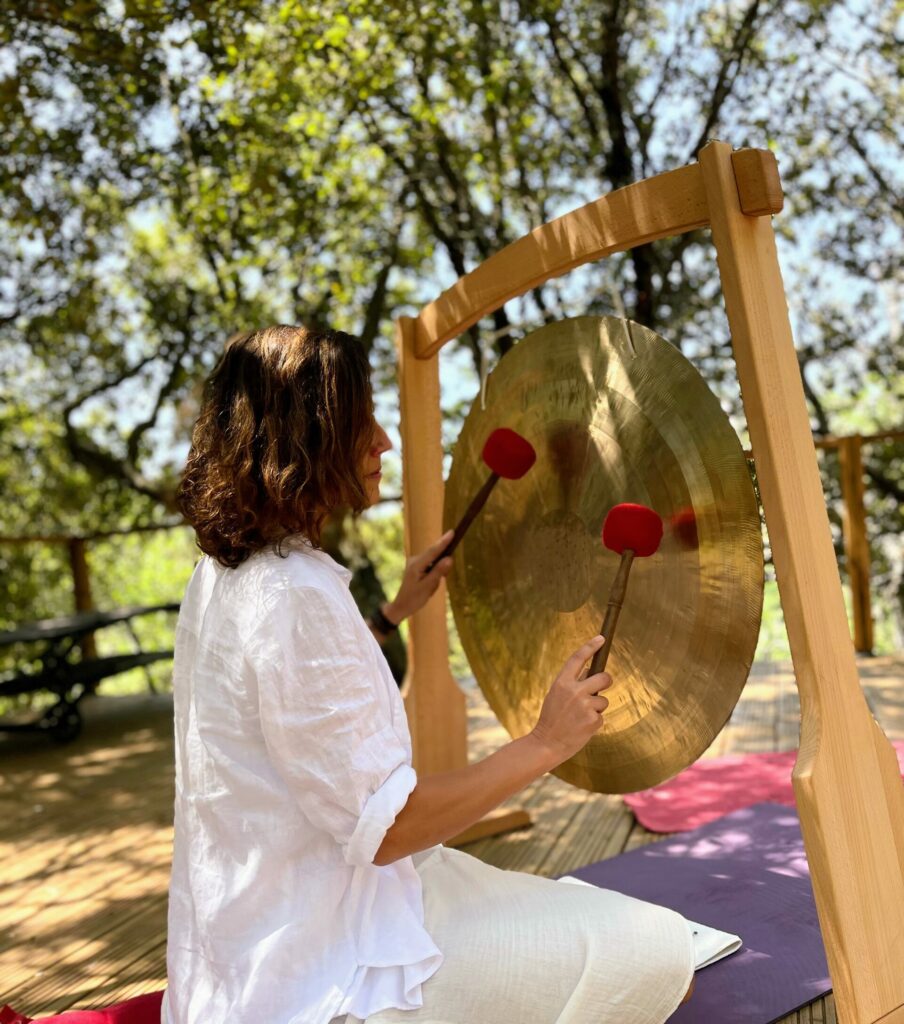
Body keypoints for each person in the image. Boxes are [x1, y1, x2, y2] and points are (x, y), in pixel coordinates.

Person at [162, 324, 696, 1024]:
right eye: (363, 423)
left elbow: (287, 705)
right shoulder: (295, 597)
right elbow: (387, 829)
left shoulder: (228, 573)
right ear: (309, 439)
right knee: (658, 950)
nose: (384, 442)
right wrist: (544, 743)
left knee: (568, 910)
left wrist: (388, 615)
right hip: (321, 969)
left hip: (253, 938)